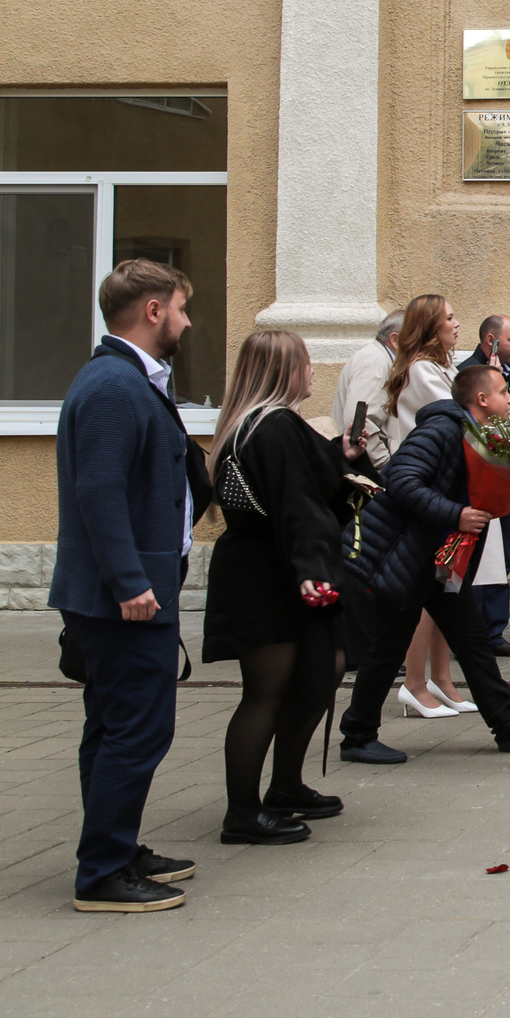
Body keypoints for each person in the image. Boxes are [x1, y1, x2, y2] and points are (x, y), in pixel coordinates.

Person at [52, 259, 215, 911]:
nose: (186, 319)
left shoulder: (129, 379)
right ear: (153, 311)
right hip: (125, 596)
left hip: (136, 586)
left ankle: (115, 845)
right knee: (137, 729)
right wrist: (128, 580)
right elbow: (98, 490)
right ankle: (103, 871)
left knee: (115, 725)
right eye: (180, 307)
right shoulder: (115, 385)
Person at [337, 362, 510, 761]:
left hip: (438, 560)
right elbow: (402, 482)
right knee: (387, 648)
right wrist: (455, 514)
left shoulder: (477, 435)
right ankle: (357, 737)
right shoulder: (440, 429)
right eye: (502, 392)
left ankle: (507, 726)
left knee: (472, 641)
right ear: (481, 399)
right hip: (404, 558)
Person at [201, 329, 360, 844]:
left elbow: (312, 484)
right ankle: (243, 813)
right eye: (307, 362)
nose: (314, 371)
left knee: (319, 670)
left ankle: (286, 786)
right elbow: (299, 504)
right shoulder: (272, 427)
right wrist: (314, 570)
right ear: (284, 370)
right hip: (272, 572)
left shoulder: (258, 425)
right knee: (266, 692)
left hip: (270, 565)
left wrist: (344, 455)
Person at [378, 296, 471, 717]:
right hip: (429, 497)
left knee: (445, 587)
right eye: (449, 317)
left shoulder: (443, 367)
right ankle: (415, 684)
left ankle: (443, 678)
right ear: (430, 326)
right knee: (426, 591)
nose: (456, 323)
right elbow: (464, 417)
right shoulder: (421, 370)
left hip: (447, 493)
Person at [462, 315, 510, 659]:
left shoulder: (509, 377)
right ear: (491, 340)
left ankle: (494, 631)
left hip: (507, 479)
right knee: (476, 560)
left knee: (500, 558)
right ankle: (472, 634)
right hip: (481, 483)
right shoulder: (469, 375)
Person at [329, 310, 400, 470]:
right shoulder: (376, 363)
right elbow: (360, 421)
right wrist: (387, 463)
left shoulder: (377, 358)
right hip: (369, 471)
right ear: (395, 340)